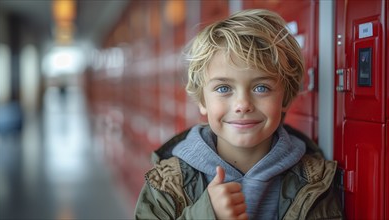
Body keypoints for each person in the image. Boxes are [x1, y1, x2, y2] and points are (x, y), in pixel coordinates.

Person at [134, 9, 343, 219]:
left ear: (286, 98)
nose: (243, 105)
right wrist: (206, 215)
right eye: (224, 88)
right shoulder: (167, 183)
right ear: (202, 101)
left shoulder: (315, 180)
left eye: (261, 88)